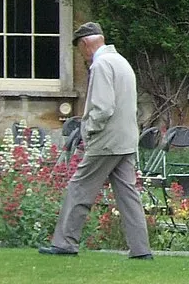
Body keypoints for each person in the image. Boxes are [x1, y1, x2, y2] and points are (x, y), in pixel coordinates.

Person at [40, 23, 152, 259]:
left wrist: (88, 131)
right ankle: (141, 250)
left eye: (80, 49)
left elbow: (102, 108)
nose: (81, 55)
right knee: (128, 194)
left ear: (85, 44)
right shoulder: (121, 61)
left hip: (106, 140)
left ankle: (64, 243)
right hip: (126, 139)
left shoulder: (101, 64)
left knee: (79, 188)